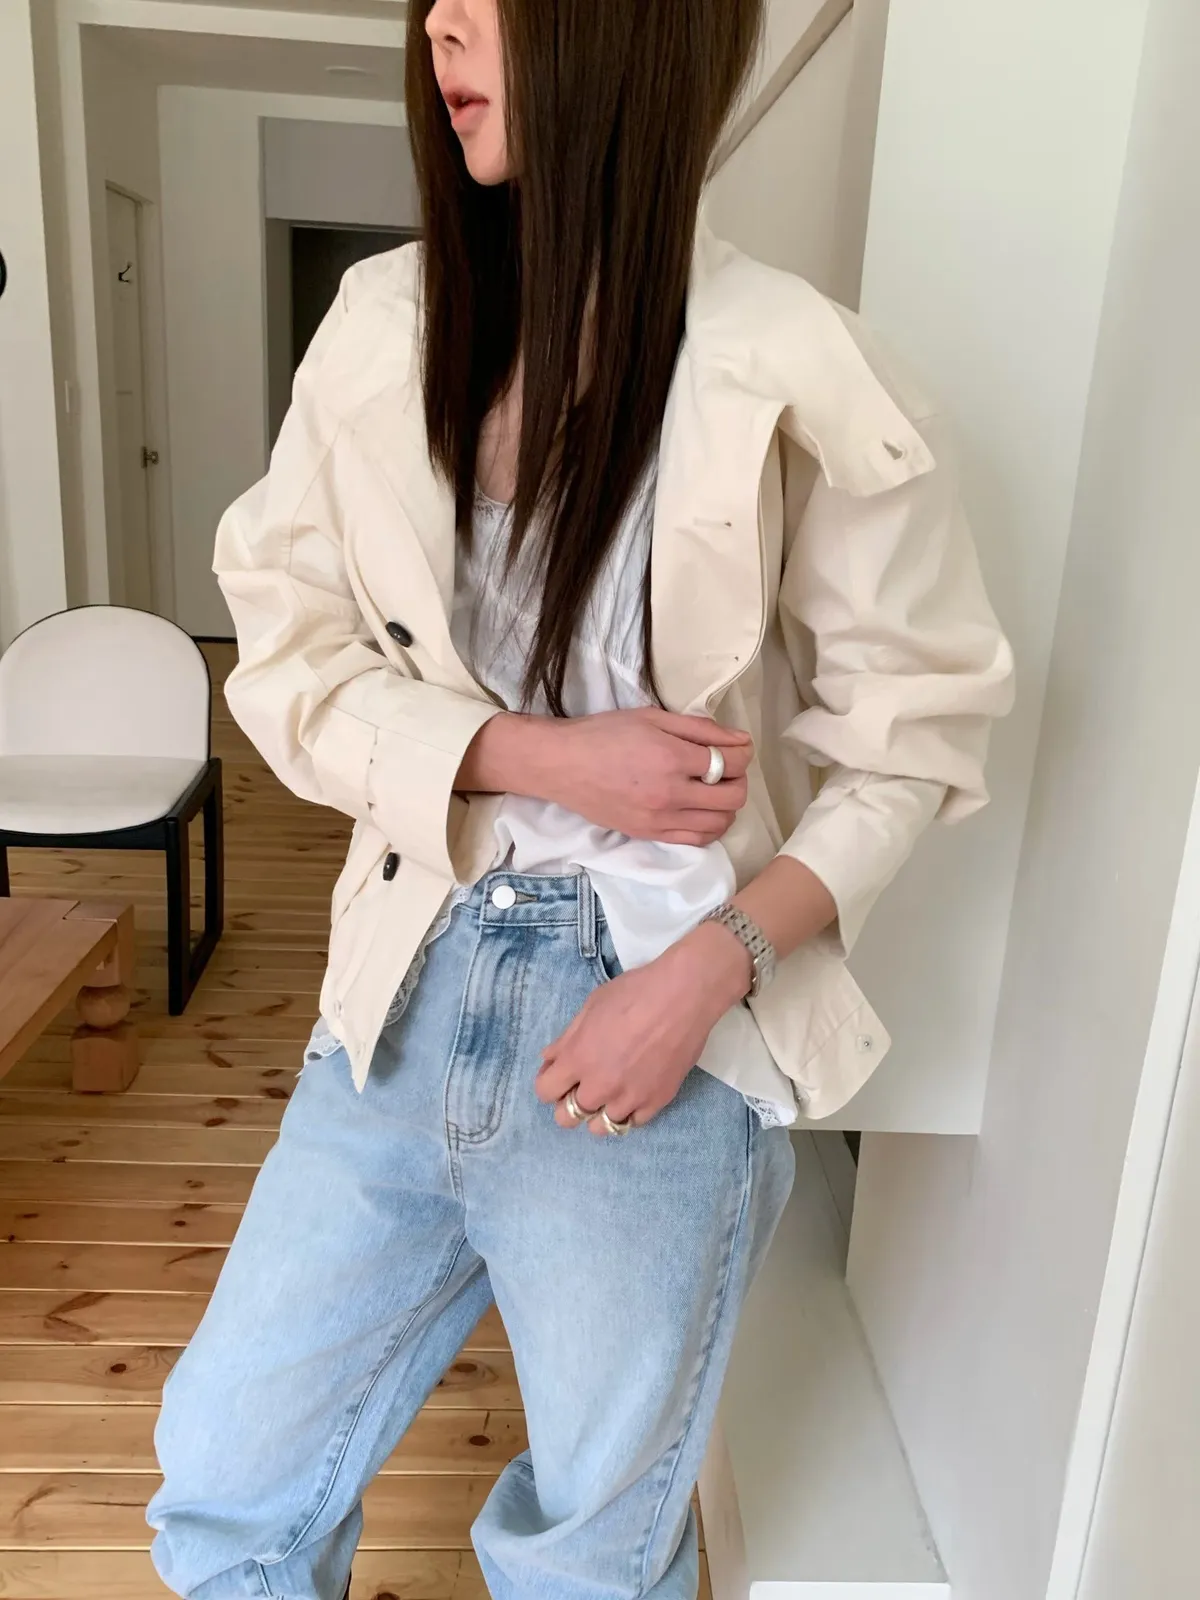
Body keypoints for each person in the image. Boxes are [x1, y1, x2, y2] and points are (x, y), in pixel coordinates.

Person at [148, 0, 1014, 1595]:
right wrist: (538, 755)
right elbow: (286, 658)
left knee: (588, 1559)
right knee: (222, 1487)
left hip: (655, 1020)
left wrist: (706, 977)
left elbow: (915, 738)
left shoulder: (791, 360)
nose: (442, 23)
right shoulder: (381, 325)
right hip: (404, 982)